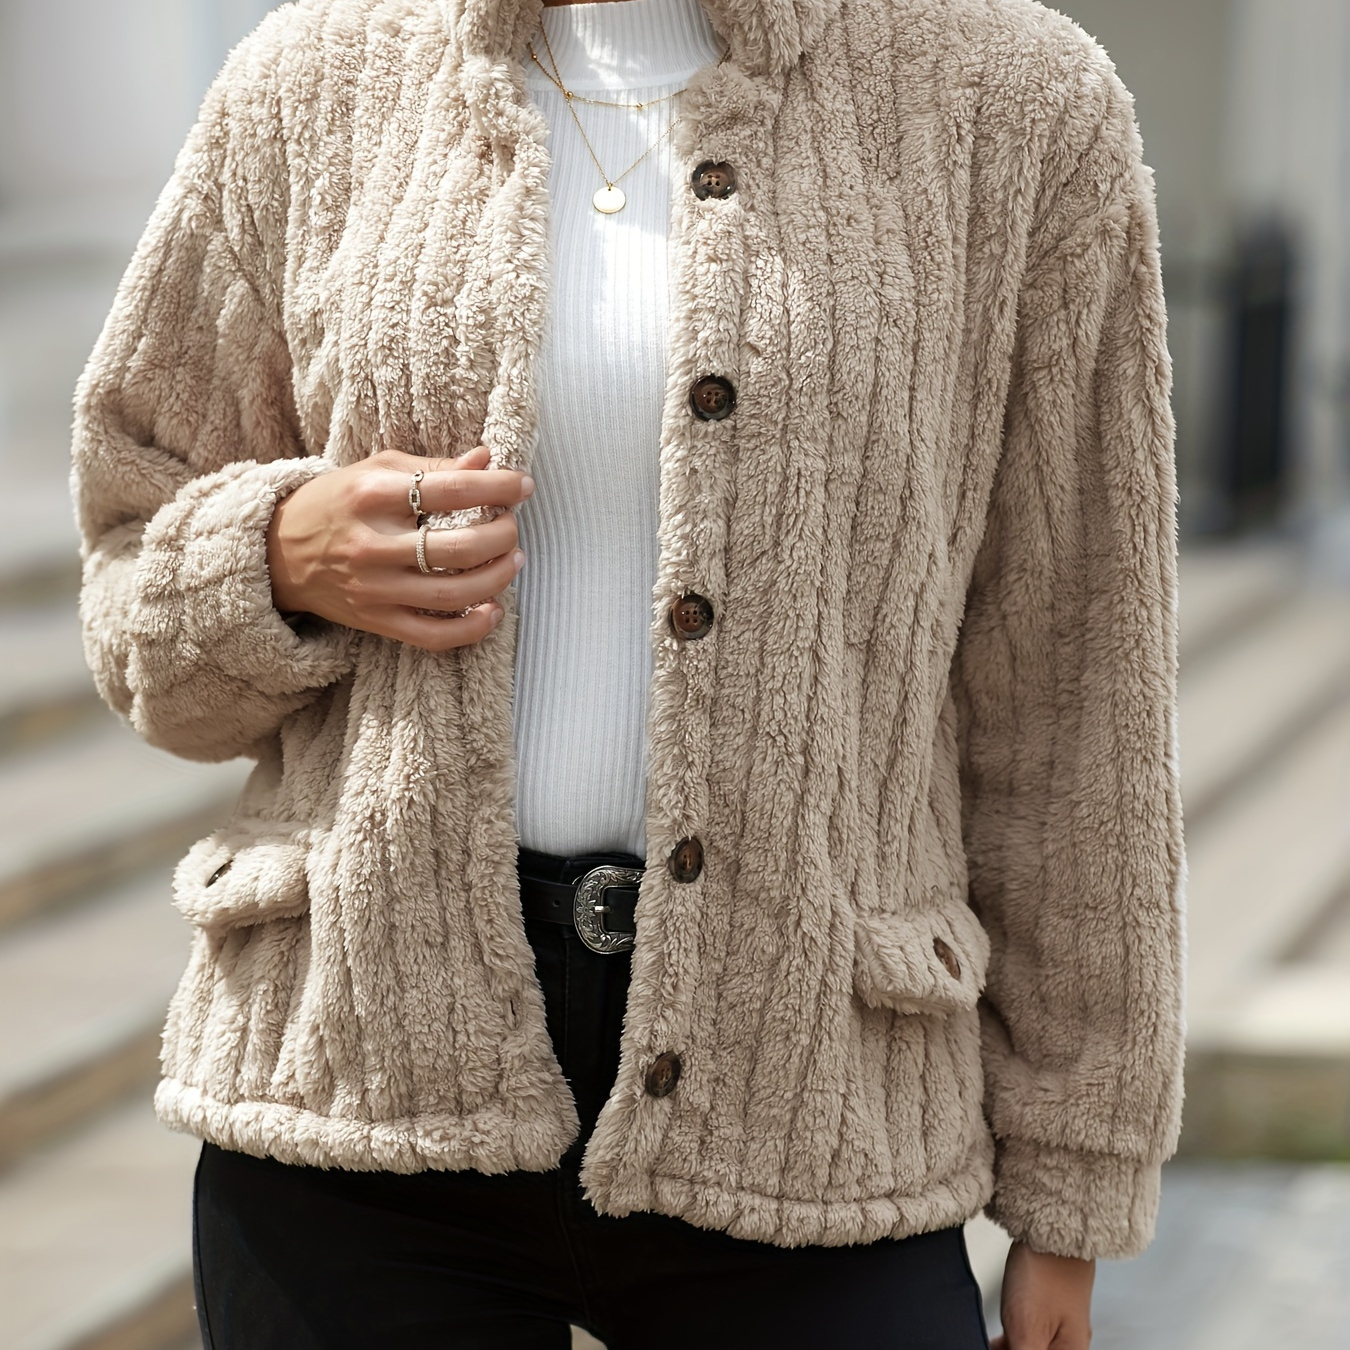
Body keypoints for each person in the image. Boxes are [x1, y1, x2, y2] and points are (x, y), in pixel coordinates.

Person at [69, 0, 1186, 1344]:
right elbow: (135, 595)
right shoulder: (310, 79)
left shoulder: (1016, 103)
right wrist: (276, 552)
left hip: (812, 1095)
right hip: (360, 1077)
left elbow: (1076, 682)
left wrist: (1075, 1181)